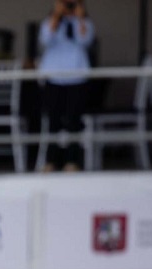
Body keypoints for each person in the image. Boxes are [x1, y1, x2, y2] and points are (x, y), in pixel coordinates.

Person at [38, 0, 95, 172]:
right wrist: (56, 15)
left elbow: (85, 40)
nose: (69, 7)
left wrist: (80, 18)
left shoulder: (85, 23)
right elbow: (46, 39)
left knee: (74, 121)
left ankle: (72, 160)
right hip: (54, 76)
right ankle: (51, 160)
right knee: (53, 120)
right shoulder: (50, 22)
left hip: (77, 76)